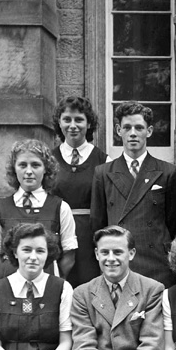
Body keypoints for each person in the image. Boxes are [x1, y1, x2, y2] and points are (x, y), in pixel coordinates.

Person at [91, 101, 176, 288]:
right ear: (119, 130)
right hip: (119, 262)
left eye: (139, 127)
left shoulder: (167, 172)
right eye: (127, 127)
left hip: (157, 264)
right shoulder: (103, 173)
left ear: (148, 131)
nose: (133, 133)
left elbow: (174, 224)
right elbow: (98, 224)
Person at [0, 139, 77, 280]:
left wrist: (54, 280)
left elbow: (69, 256)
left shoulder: (61, 208)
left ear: (46, 169)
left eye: (35, 165)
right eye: (22, 165)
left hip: (47, 281)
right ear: (14, 169)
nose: (29, 171)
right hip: (9, 282)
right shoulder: (0, 208)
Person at [50, 96, 108, 287]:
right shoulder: (48, 160)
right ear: (59, 122)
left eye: (79, 120)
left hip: (89, 237)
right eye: (67, 119)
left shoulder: (104, 161)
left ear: (89, 123)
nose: (73, 125)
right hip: (55, 234)